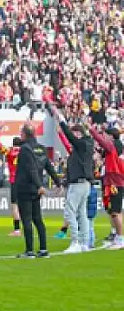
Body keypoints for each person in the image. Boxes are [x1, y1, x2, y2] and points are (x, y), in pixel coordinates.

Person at [49, 103, 96, 254]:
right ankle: (84, 243)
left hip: (78, 184)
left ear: (78, 134)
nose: (73, 136)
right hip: (85, 184)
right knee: (81, 213)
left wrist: (60, 117)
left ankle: (75, 241)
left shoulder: (82, 144)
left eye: (75, 133)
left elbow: (69, 136)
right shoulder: (86, 145)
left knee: (70, 211)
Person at [12, 123, 61, 258]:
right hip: (35, 189)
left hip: (26, 187)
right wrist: (58, 181)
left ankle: (29, 251)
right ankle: (43, 249)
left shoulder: (25, 149)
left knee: (27, 220)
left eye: (21, 132)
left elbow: (30, 169)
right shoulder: (41, 148)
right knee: (38, 219)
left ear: (24, 134)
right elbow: (48, 166)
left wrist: (39, 185)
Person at [89, 124, 124, 249]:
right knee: (115, 211)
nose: (104, 138)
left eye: (106, 135)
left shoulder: (112, 145)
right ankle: (118, 237)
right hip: (114, 181)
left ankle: (120, 239)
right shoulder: (116, 147)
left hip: (114, 182)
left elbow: (101, 141)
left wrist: (92, 130)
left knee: (115, 212)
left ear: (111, 136)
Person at [0, 133, 23, 237]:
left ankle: (17, 229)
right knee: (26, 205)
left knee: (14, 205)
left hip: (14, 180)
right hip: (25, 181)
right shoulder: (26, 151)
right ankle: (28, 227)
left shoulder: (10, 151)